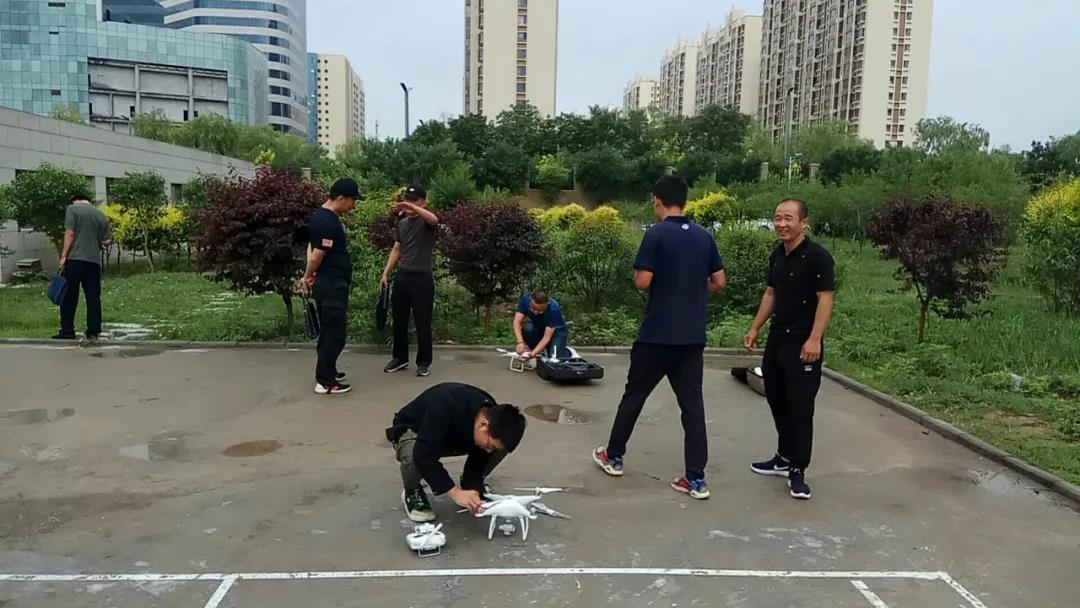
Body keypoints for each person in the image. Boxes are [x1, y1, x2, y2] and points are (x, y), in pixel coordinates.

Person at [592, 176, 726, 500]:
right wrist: (694, 289)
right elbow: (719, 281)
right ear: (685, 202)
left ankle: (613, 457)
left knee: (634, 396)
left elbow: (642, 281)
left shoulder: (655, 234)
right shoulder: (704, 236)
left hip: (657, 335)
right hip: (691, 338)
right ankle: (696, 480)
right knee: (692, 406)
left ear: (657, 200)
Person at [743, 199, 835, 500]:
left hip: (803, 343)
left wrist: (815, 338)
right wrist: (755, 327)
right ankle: (783, 457)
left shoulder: (818, 257)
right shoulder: (777, 255)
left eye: (788, 218)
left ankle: (798, 469)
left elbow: (825, 299)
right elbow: (771, 293)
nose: (781, 224)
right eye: (777, 218)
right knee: (777, 399)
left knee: (800, 407)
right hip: (777, 340)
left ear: (803, 222)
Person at [385, 382, 526, 522]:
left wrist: (473, 486)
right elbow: (423, 453)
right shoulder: (445, 405)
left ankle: (470, 483)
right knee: (414, 455)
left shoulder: (491, 413)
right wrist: (455, 493)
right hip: (415, 430)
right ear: (483, 424)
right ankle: (412, 491)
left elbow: (485, 450)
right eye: (489, 445)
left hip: (451, 436)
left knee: (500, 447)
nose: (489, 450)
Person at [299, 178, 361, 395]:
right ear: (341, 198)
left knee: (328, 331)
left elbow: (312, 247)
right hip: (332, 285)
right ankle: (325, 381)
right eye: (353, 200)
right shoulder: (329, 223)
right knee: (334, 334)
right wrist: (307, 275)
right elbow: (317, 255)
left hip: (328, 282)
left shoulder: (319, 216)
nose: (353, 206)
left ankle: (329, 371)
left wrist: (311, 273)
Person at [380, 185, 439, 377]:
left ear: (423, 202)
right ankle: (400, 358)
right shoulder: (403, 224)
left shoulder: (426, 222)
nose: (409, 204)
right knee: (399, 320)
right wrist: (386, 272)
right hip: (403, 276)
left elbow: (434, 219)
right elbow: (397, 249)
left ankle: (423, 362)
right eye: (407, 200)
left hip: (422, 277)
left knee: (423, 321)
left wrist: (413, 208)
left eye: (414, 201)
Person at [55, 194, 112, 342]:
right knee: (93, 297)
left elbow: (70, 233)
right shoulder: (100, 215)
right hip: (93, 261)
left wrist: (63, 256)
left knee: (69, 296)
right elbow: (107, 240)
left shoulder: (72, 209)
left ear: (75, 200)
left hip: (75, 259)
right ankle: (93, 331)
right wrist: (94, 241)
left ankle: (67, 331)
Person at [513, 290, 570, 362]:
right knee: (527, 328)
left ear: (547, 304)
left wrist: (531, 355)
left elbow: (546, 338)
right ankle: (541, 350)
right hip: (539, 328)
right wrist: (520, 342)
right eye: (533, 309)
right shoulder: (525, 299)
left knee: (555, 359)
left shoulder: (554, 309)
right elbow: (517, 322)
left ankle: (566, 351)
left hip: (557, 332)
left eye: (540, 310)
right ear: (530, 300)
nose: (536, 312)